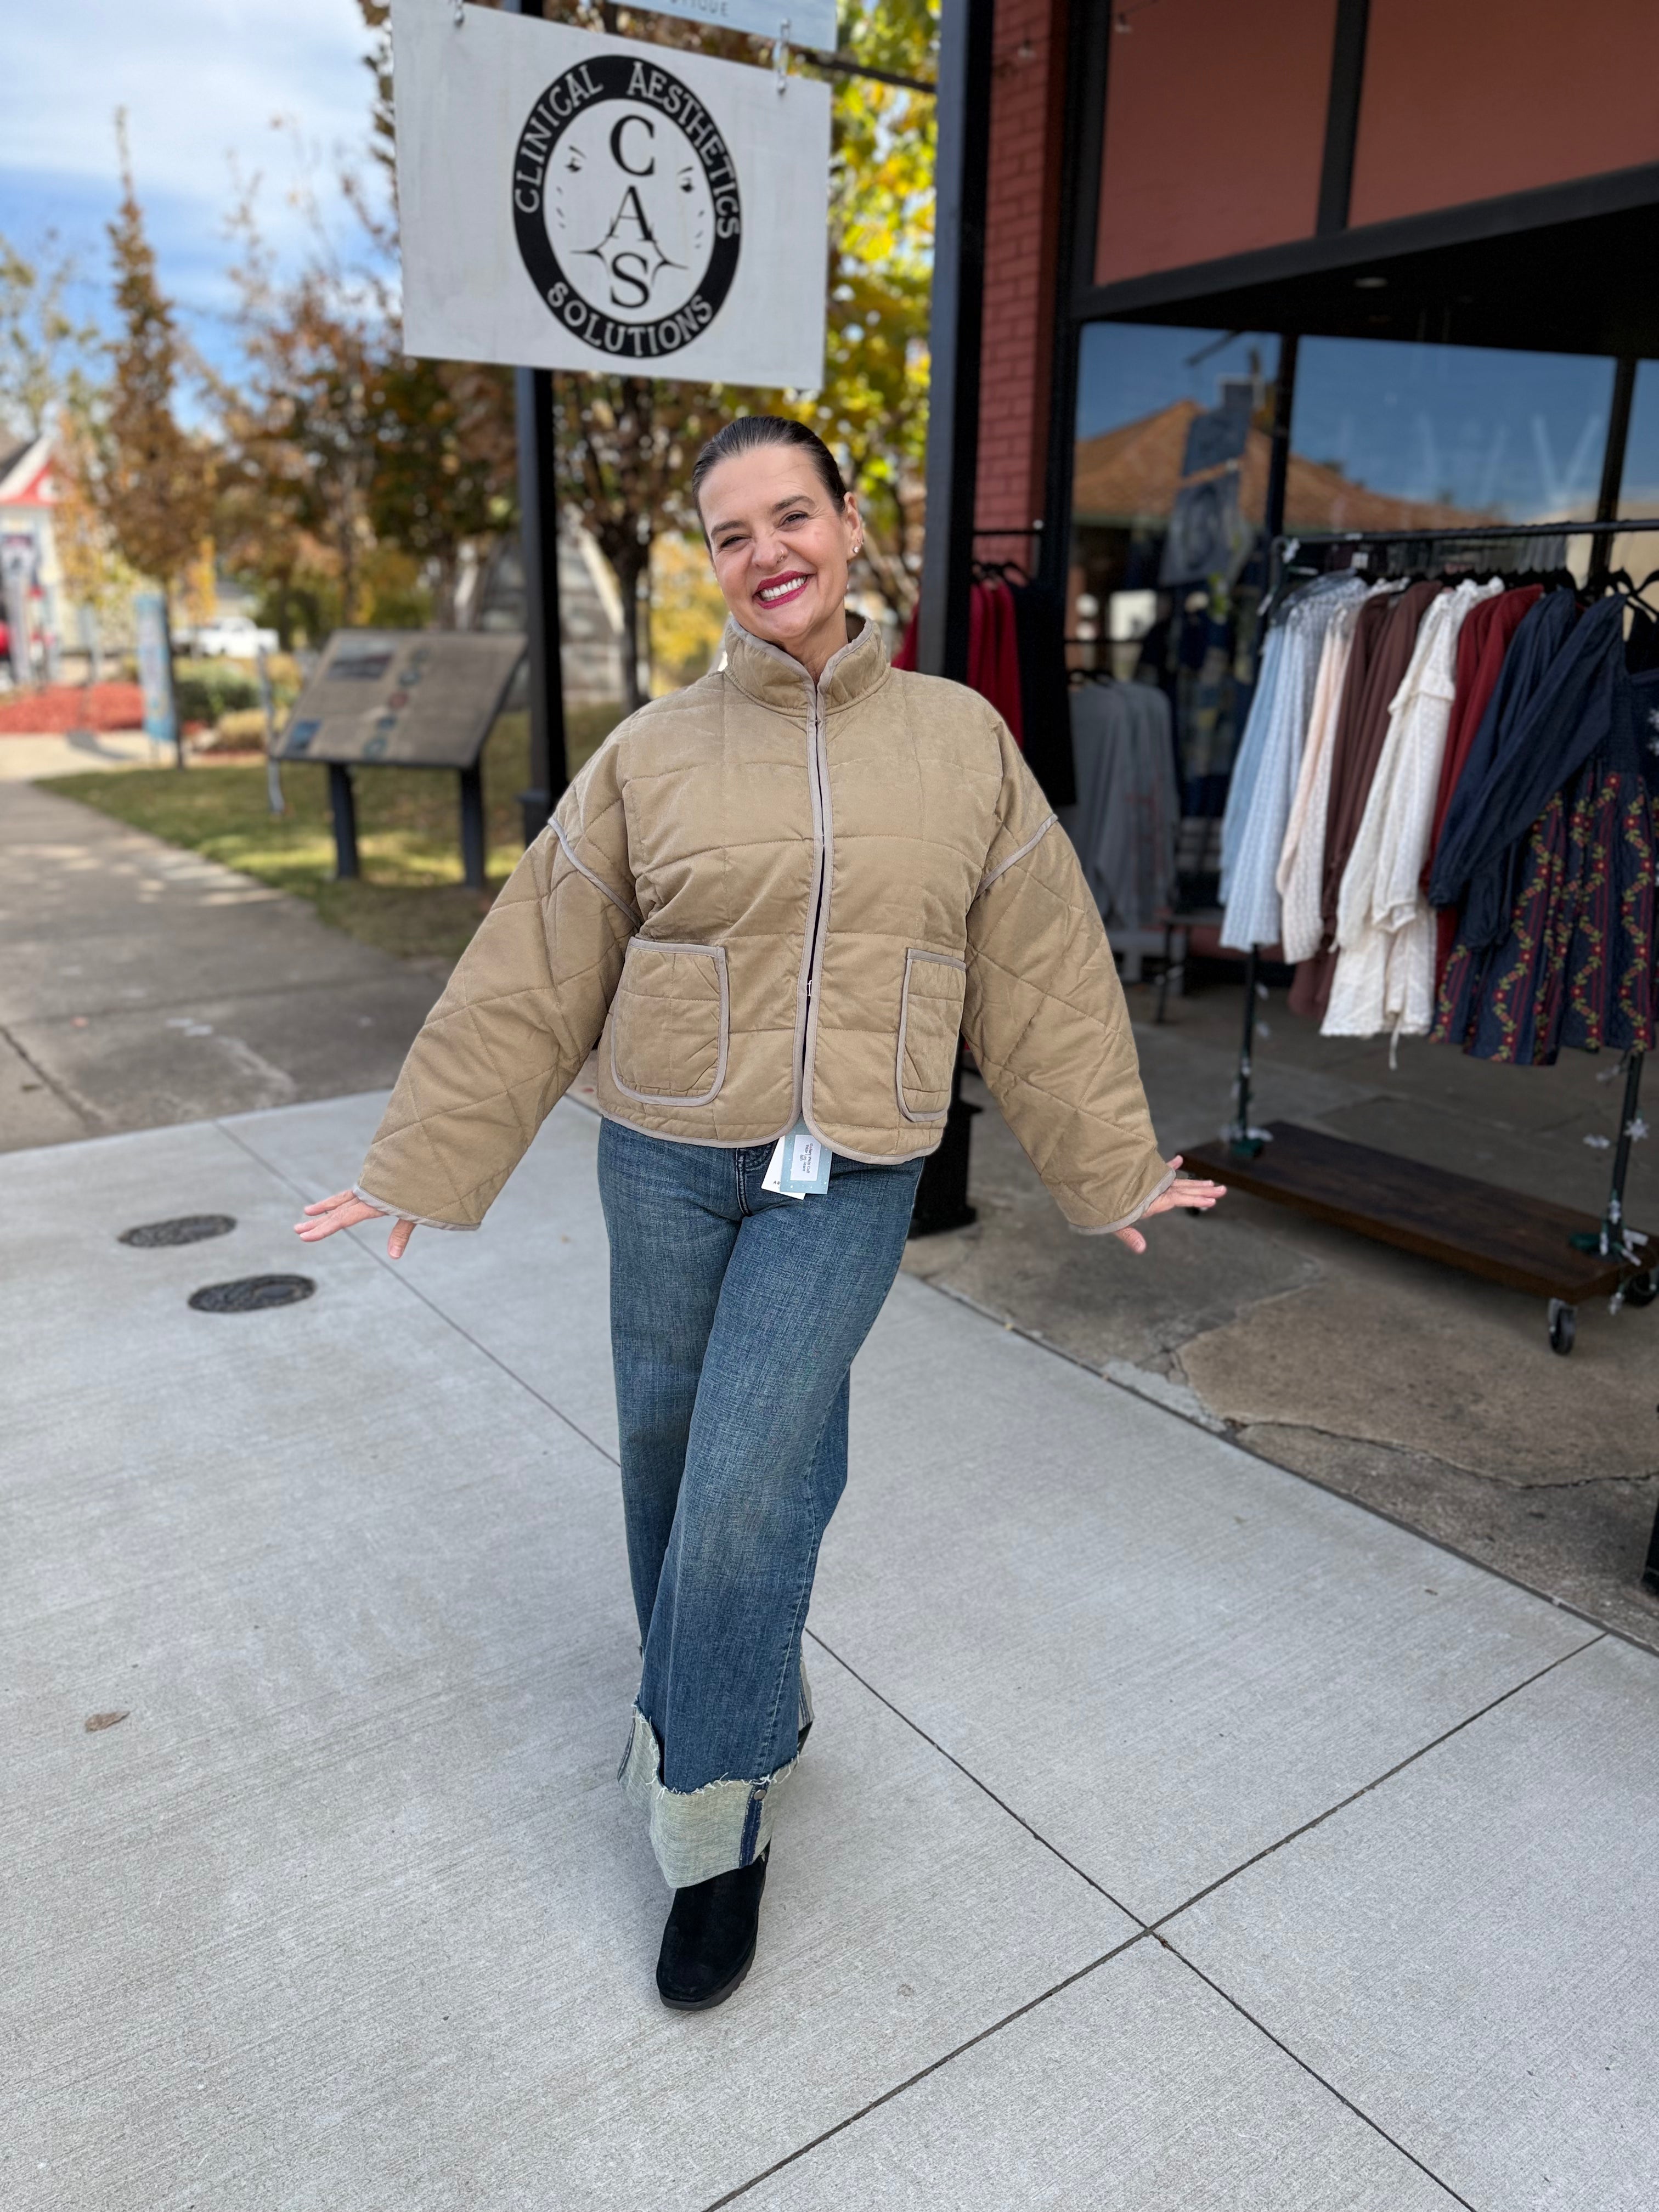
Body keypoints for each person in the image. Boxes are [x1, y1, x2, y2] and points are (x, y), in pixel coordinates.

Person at [296, 416, 1223, 2010]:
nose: (765, 553)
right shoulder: (652, 753)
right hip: (661, 1157)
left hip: (853, 1171)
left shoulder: (958, 741)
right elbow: (541, 957)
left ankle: (710, 1823)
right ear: (711, 565)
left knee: (738, 1488)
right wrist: (426, 1159)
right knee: (680, 1462)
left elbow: (1044, 964)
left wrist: (1107, 1157)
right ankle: (754, 1706)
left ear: (855, 526)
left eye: (791, 515)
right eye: (731, 535)